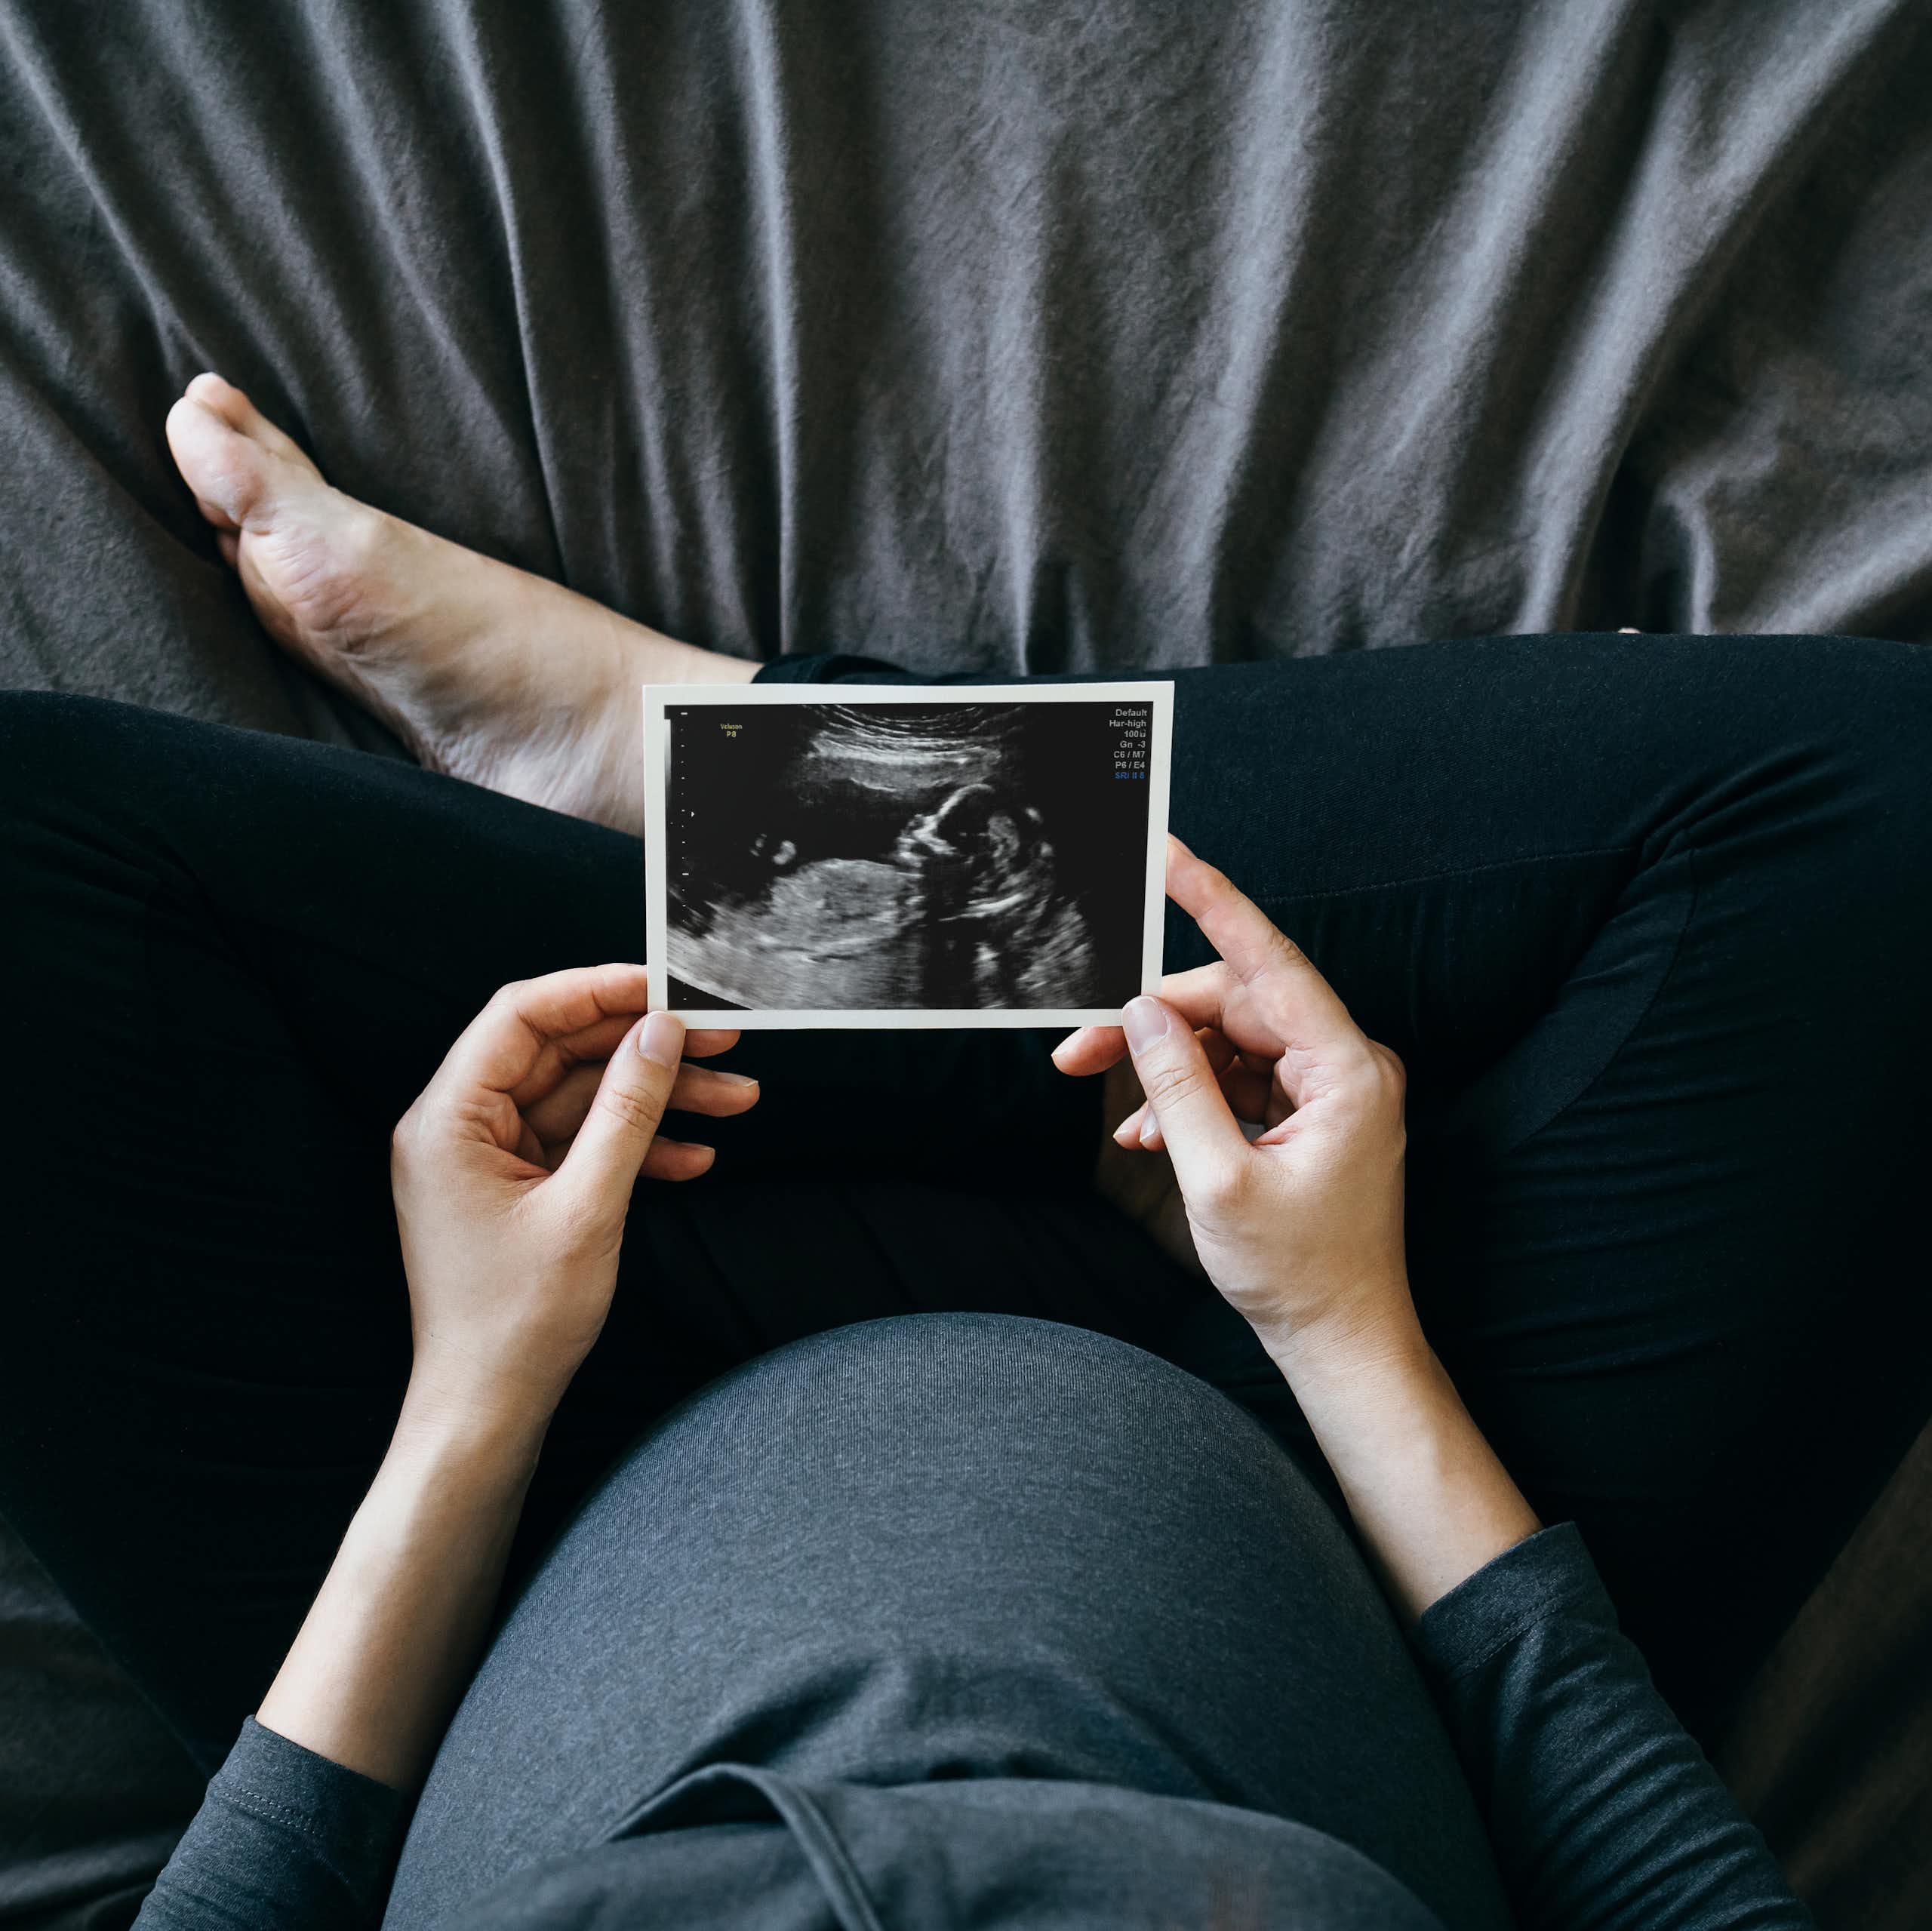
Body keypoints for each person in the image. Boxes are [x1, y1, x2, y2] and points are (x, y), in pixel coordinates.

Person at [8, 376, 1930, 1926]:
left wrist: (470, 1394)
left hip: (498, 1540)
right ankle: (741, 790)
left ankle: (726, 801)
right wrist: (1343, 1327)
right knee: (1878, 821)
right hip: (1357, 1518)